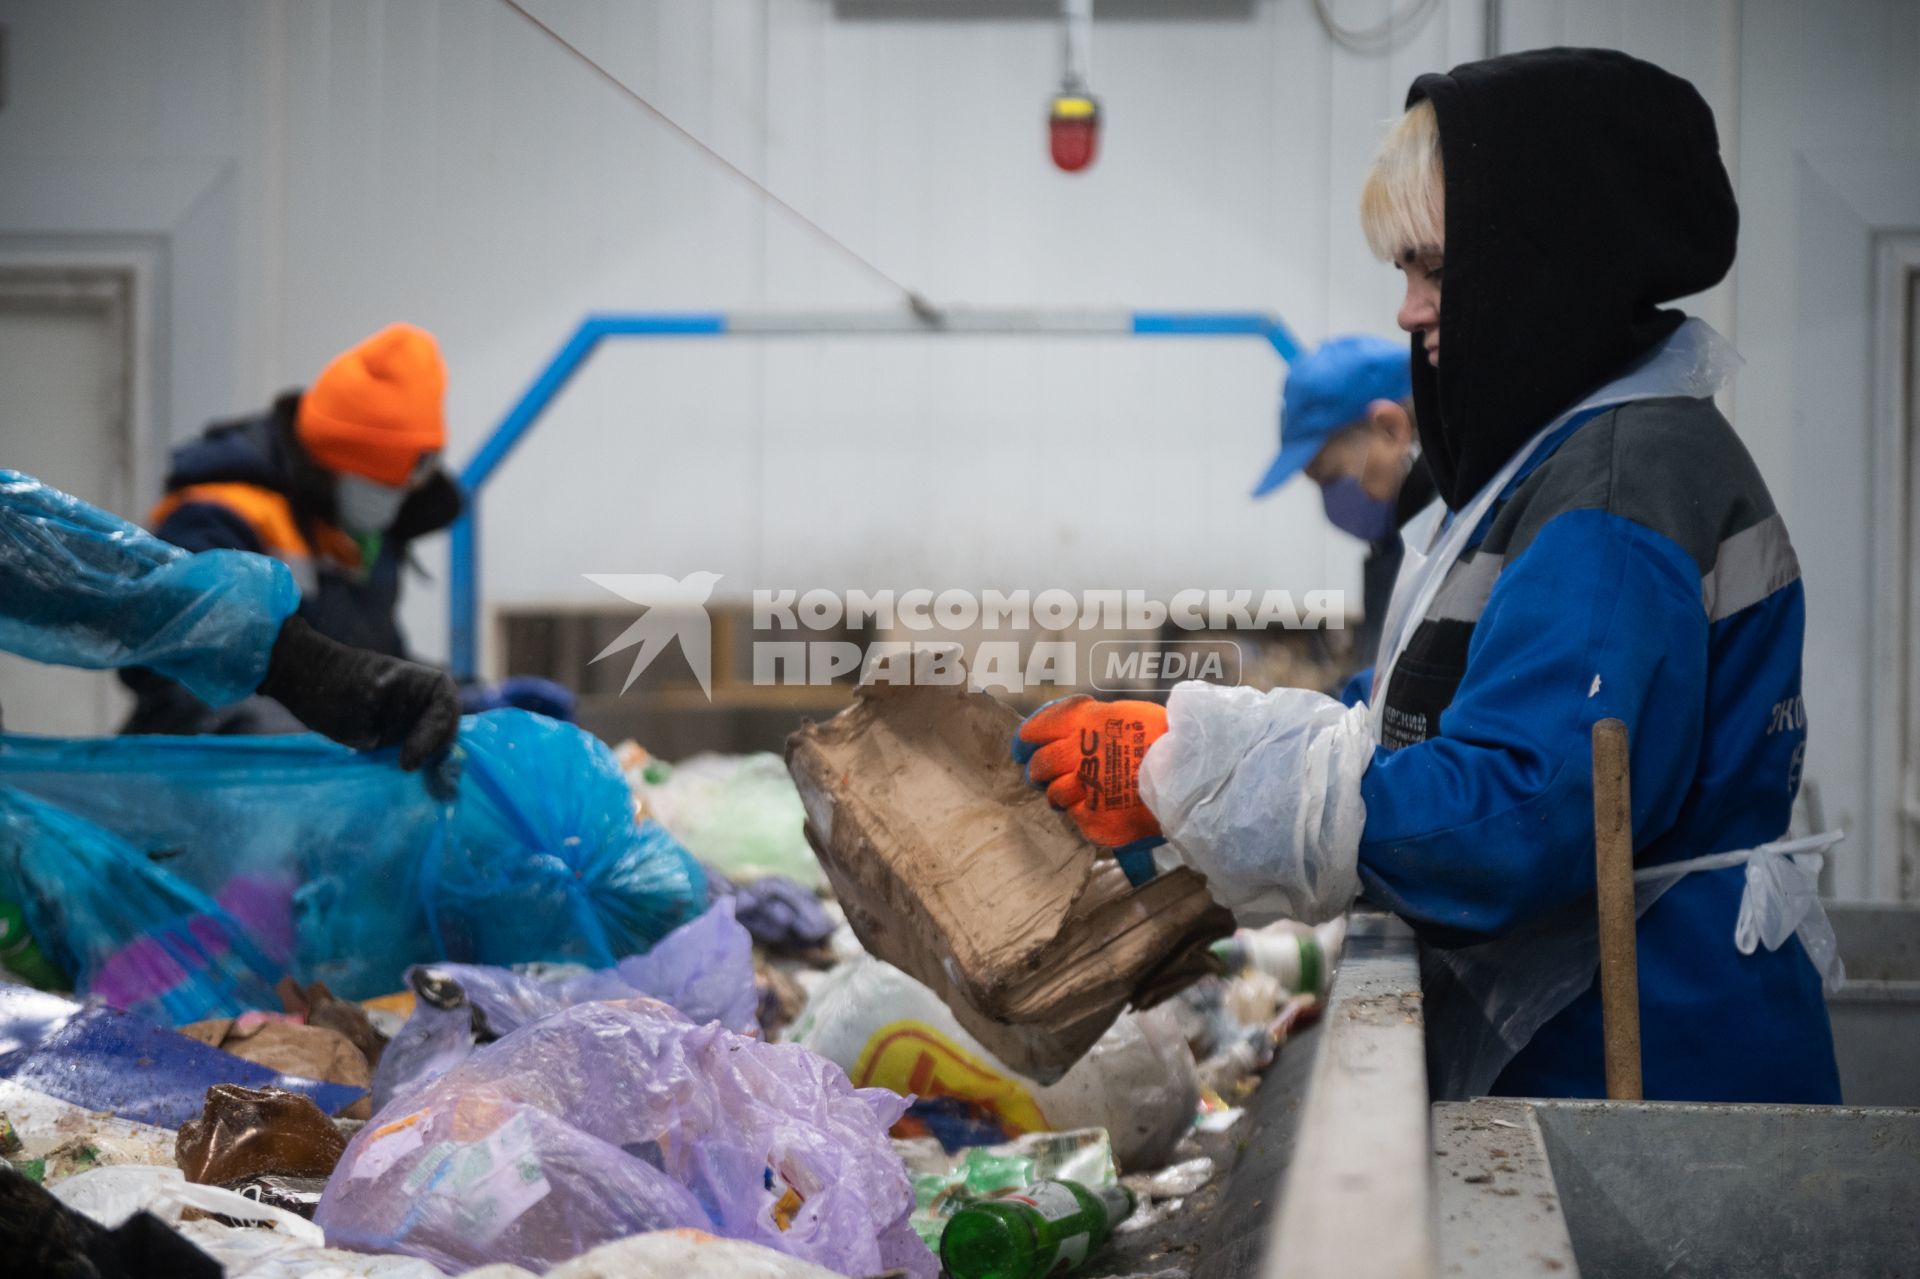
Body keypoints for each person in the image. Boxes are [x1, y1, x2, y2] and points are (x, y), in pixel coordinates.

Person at [1015, 48, 1842, 1104]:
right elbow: (1403, 719)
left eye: (1436, 269)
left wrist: (1202, 782)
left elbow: (1519, 813)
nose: (1407, 310)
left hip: (1650, 1071)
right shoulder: (1546, 466)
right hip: (1588, 1041)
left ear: (1549, 262)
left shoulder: (1620, 488)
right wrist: (1195, 765)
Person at [121, 322, 463, 736]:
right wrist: (315, 739)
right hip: (207, 780)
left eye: (403, 486)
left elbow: (372, 662)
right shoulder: (220, 520)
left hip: (317, 783)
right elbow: (173, 674)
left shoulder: (358, 536)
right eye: (381, 484)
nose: (394, 498)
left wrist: (461, 700)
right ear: (334, 466)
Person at [0, 470, 457, 769]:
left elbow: (77, 574)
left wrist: (304, 669)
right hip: (194, 764)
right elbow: (161, 668)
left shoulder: (355, 541)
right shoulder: (219, 513)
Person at [1250, 334, 1433, 668]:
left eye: (1331, 475)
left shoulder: (1446, 543)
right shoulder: (1397, 545)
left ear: (1391, 429)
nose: (1332, 500)